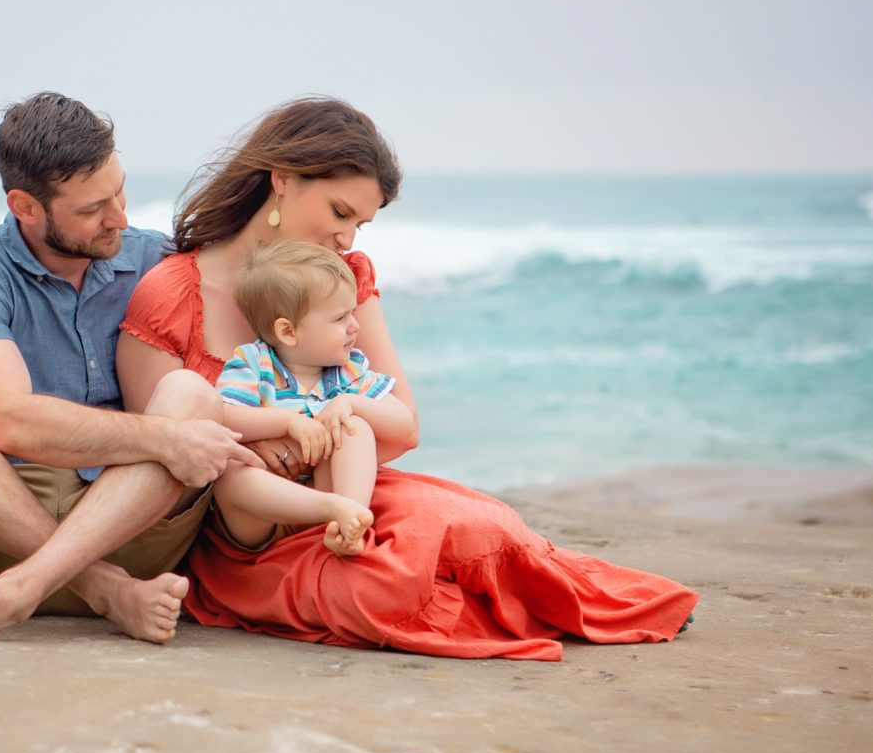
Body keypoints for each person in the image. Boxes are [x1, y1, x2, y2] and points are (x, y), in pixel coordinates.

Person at [116, 95, 699, 661]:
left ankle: (571, 600)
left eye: (360, 224)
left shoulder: (345, 277)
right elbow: (165, 465)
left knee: (476, 525)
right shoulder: (172, 295)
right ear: (283, 179)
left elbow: (403, 427)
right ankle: (482, 605)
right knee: (384, 587)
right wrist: (267, 437)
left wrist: (329, 419)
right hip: (243, 532)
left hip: (347, 483)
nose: (347, 239)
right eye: (340, 213)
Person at [0, 92, 263, 644]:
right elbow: (12, 422)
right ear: (25, 207)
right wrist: (165, 439)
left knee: (188, 393)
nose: (120, 218)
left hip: (128, 528)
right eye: (91, 209)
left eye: (119, 191)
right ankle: (101, 590)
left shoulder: (159, 260)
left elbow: (282, 276)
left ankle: (22, 591)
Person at [212, 238, 414, 557]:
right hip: (263, 517)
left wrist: (350, 403)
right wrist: (290, 422)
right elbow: (222, 416)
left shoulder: (347, 371)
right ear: (288, 332)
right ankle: (335, 508)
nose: (355, 326)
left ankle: (350, 521)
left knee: (356, 426)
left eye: (352, 314)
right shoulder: (254, 363)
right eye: (339, 318)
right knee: (232, 472)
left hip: (325, 499)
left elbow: (405, 425)